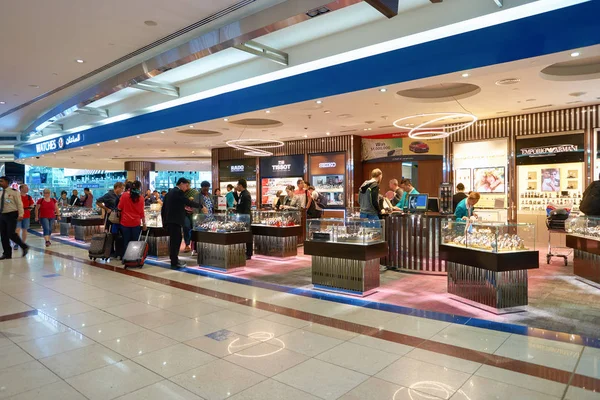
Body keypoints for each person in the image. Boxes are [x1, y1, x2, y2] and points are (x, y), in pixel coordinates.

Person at [162, 178, 201, 269]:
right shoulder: (178, 192)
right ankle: (174, 261)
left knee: (174, 241)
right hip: (175, 221)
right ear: (181, 183)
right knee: (176, 241)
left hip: (169, 221)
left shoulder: (169, 193)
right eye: (186, 185)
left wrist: (164, 222)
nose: (187, 188)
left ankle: (174, 260)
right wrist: (200, 206)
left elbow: (163, 209)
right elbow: (187, 202)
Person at [0, 177, 28, 259]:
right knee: (3, 235)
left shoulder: (14, 192)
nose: (0, 182)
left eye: (1, 181)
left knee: (11, 233)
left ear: (7, 182)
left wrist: (21, 214)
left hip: (12, 214)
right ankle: (7, 253)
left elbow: (19, 204)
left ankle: (24, 246)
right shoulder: (1, 193)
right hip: (2, 215)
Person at [118, 181, 146, 259]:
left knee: (126, 241)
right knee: (135, 242)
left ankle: (125, 258)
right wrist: (144, 223)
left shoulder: (124, 195)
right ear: (139, 187)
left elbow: (119, 207)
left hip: (125, 222)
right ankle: (133, 258)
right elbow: (141, 212)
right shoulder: (141, 198)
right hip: (136, 223)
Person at [234, 179, 253, 259]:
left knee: (247, 236)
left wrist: (245, 219)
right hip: (241, 217)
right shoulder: (242, 193)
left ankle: (249, 253)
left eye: (237, 185)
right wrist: (235, 192)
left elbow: (247, 208)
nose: (236, 186)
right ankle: (245, 251)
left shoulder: (246, 194)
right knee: (243, 235)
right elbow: (239, 202)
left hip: (245, 218)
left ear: (240, 185)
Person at [182, 184, 202, 253]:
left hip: (194, 214)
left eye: (188, 185)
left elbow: (198, 202)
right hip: (184, 213)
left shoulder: (195, 192)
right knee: (186, 227)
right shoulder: (181, 193)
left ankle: (194, 245)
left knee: (194, 229)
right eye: (186, 185)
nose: (187, 187)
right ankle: (187, 244)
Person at [15, 184, 35, 250]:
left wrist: (31, 207)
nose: (27, 189)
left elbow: (32, 204)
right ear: (21, 189)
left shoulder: (29, 197)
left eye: (27, 188)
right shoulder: (17, 196)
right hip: (18, 215)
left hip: (26, 215)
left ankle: (22, 243)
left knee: (25, 230)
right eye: (26, 188)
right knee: (17, 229)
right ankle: (16, 243)